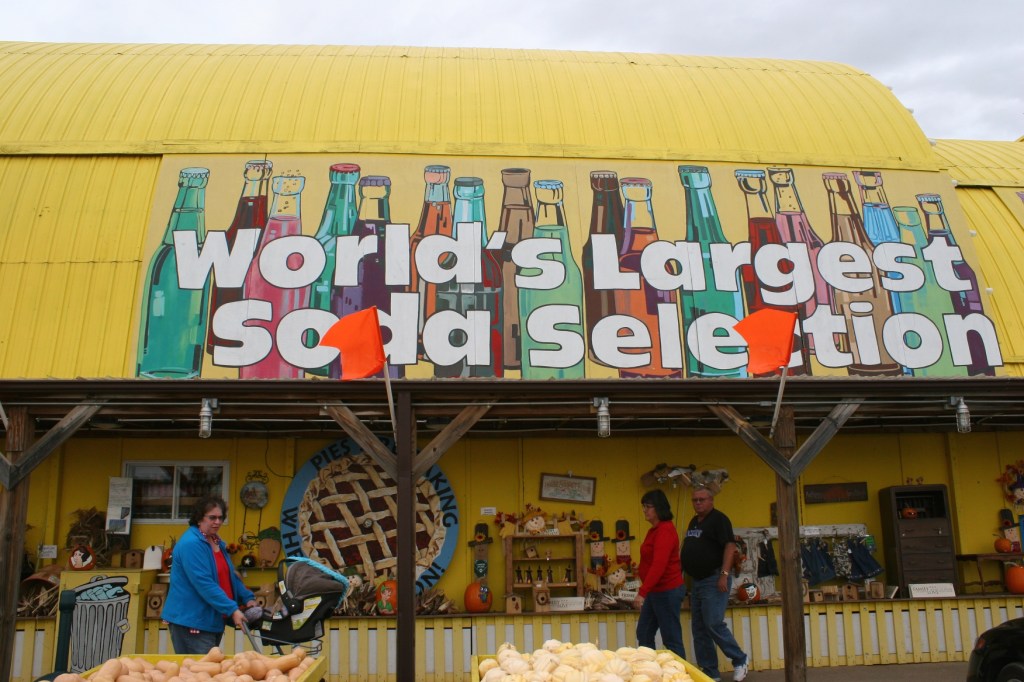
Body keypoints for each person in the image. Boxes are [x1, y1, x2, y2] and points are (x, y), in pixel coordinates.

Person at [162, 496, 258, 654]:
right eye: (212, 517)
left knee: (209, 670)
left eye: (220, 518)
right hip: (192, 621)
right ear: (199, 518)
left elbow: (229, 575)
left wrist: (247, 598)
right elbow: (204, 583)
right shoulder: (191, 544)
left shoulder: (216, 541)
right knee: (200, 674)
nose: (218, 522)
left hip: (211, 619)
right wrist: (232, 609)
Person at [680, 486, 748, 682]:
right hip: (697, 581)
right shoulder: (694, 521)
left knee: (713, 623)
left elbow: (729, 545)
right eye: (695, 500)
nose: (698, 503)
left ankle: (740, 659)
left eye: (702, 499)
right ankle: (710, 673)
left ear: (711, 501)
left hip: (714, 579)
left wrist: (724, 574)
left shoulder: (719, 519)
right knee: (699, 629)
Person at [632, 488, 687, 661]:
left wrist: (642, 592)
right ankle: (650, 671)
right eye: (644, 506)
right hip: (656, 591)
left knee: (671, 638)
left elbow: (659, 565)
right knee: (644, 632)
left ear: (659, 508)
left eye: (648, 506)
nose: (645, 510)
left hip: (667, 590)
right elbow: (651, 561)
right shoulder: (654, 530)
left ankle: (680, 676)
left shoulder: (665, 530)